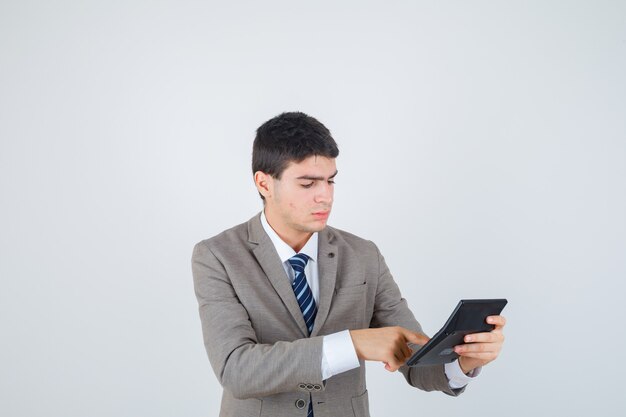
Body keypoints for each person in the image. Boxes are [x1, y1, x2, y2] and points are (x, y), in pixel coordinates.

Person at [191, 112, 506, 417]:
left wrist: (463, 361)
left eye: (330, 181)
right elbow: (237, 370)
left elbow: (415, 361)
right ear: (264, 184)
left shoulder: (363, 255)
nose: (325, 196)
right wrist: (352, 344)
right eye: (307, 184)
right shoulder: (217, 256)